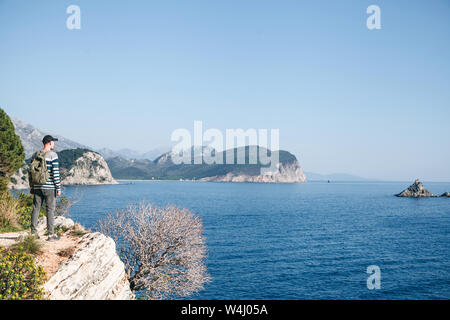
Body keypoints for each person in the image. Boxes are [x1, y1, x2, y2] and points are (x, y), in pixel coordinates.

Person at [29, 135, 61, 241]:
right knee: (50, 210)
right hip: (49, 187)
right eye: (53, 141)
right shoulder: (53, 155)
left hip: (37, 186)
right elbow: (55, 173)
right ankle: (51, 235)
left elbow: (31, 172)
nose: (54, 144)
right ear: (49, 143)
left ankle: (33, 233)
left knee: (36, 208)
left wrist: (32, 186)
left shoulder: (36, 154)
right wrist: (58, 187)